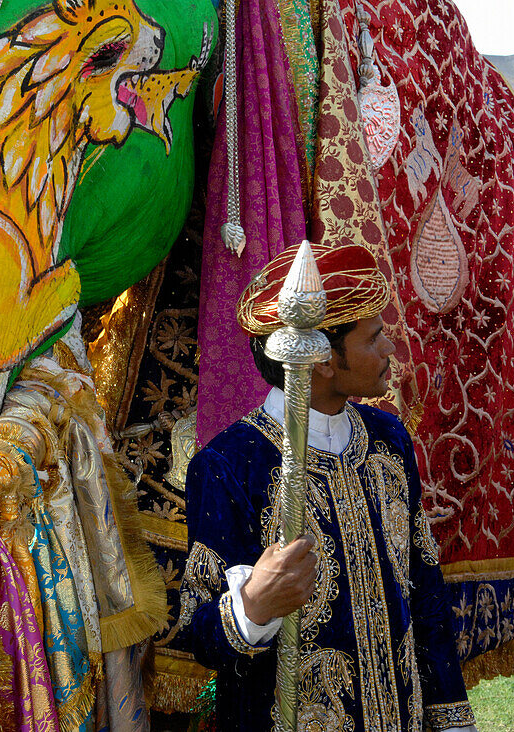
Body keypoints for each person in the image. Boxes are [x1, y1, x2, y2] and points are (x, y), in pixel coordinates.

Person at [180, 242, 476, 732]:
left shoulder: (388, 439)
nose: (389, 349)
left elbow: (424, 590)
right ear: (321, 360)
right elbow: (198, 632)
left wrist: (451, 718)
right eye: (373, 338)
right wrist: (252, 607)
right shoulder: (229, 464)